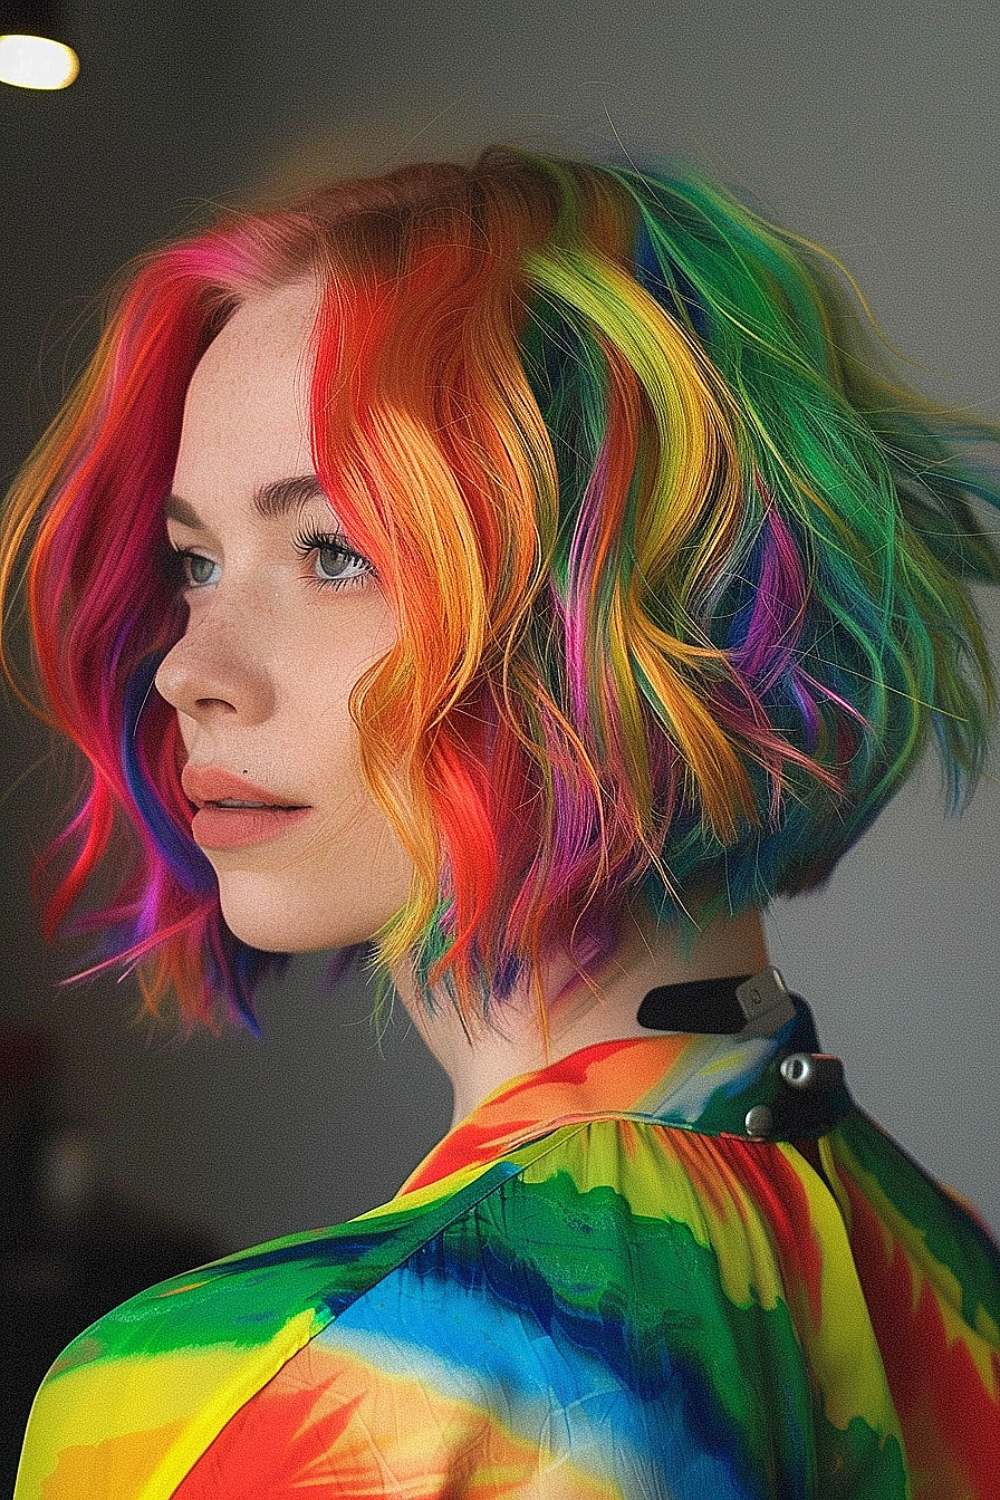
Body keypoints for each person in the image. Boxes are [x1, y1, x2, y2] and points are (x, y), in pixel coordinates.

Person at [2, 147, 998, 1498]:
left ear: (637, 607)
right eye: (193, 562)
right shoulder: (934, 1259)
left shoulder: (346, 1386)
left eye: (335, 551)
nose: (190, 669)